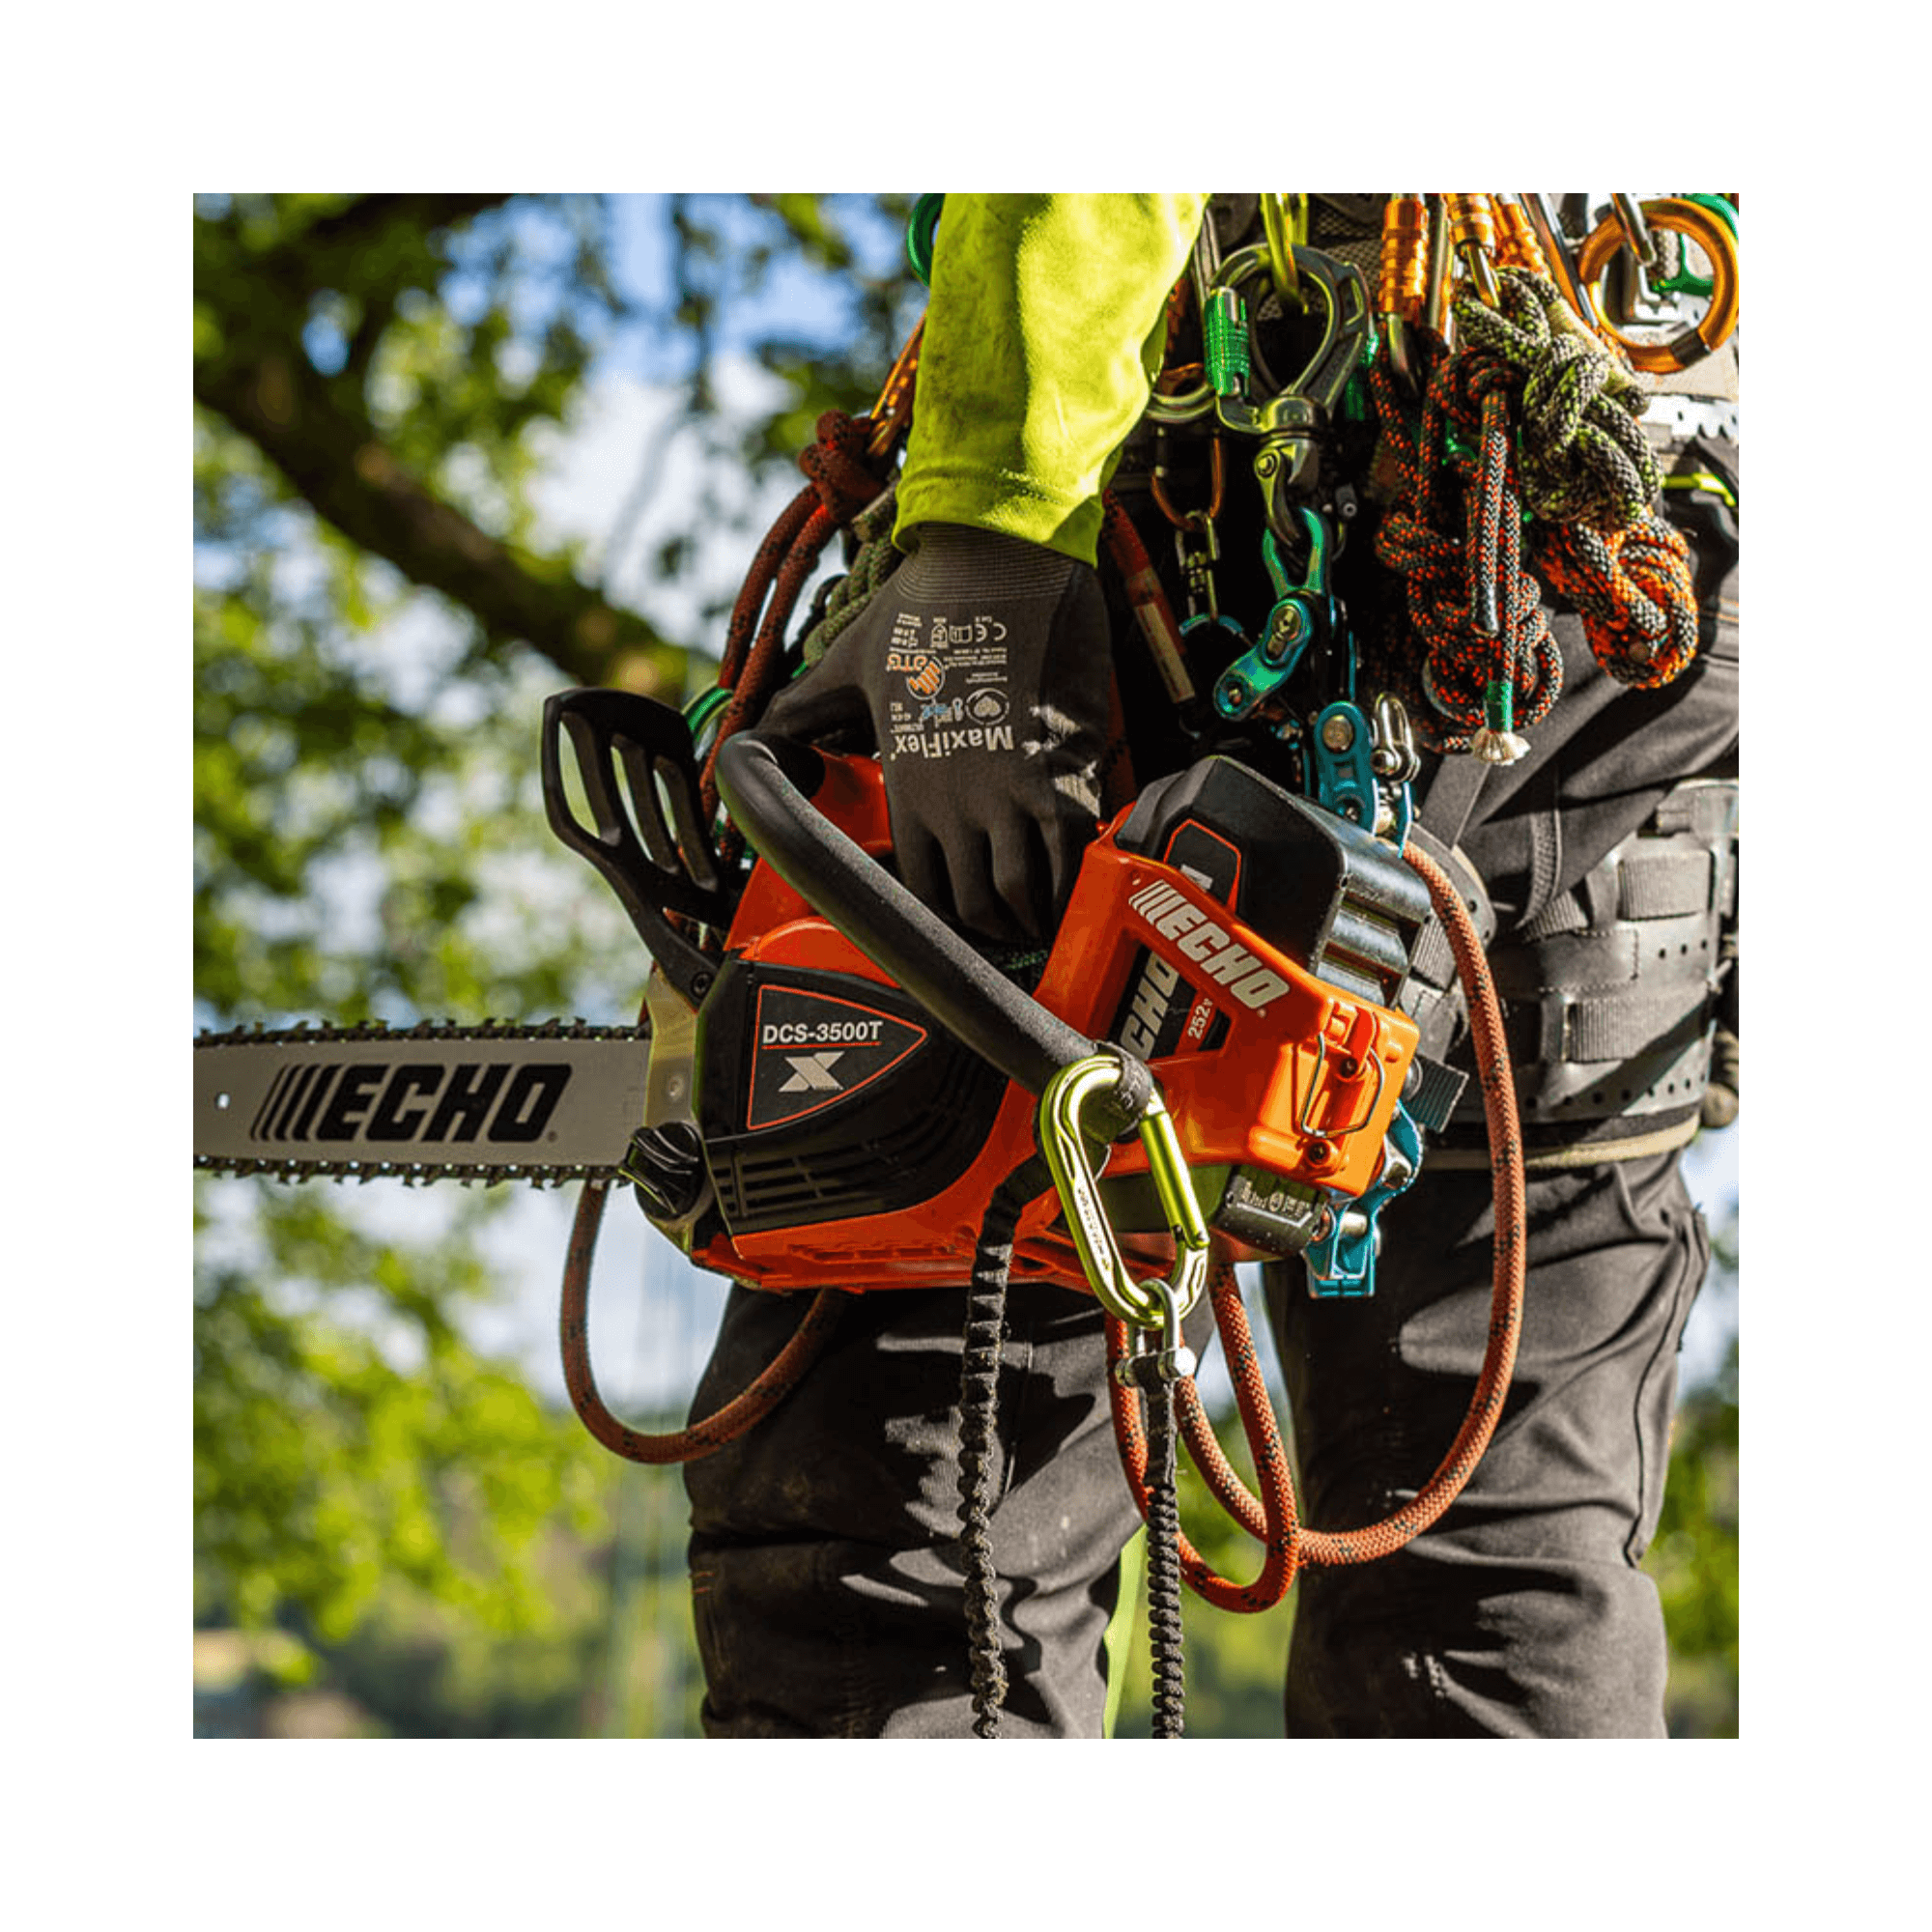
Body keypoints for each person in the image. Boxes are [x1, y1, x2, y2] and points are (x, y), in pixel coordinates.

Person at [679, 194, 1738, 1737]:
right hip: (1629, 578)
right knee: (1494, 1558)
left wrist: (984, 533)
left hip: (1246, 514)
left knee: (908, 1550)